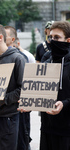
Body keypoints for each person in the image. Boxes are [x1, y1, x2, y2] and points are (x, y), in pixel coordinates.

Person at [40, 21, 70, 150]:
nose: (52, 41)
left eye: (57, 37)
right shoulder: (47, 59)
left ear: (68, 40)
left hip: (67, 129)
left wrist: (65, 103)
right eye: (50, 37)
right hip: (47, 126)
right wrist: (28, 101)